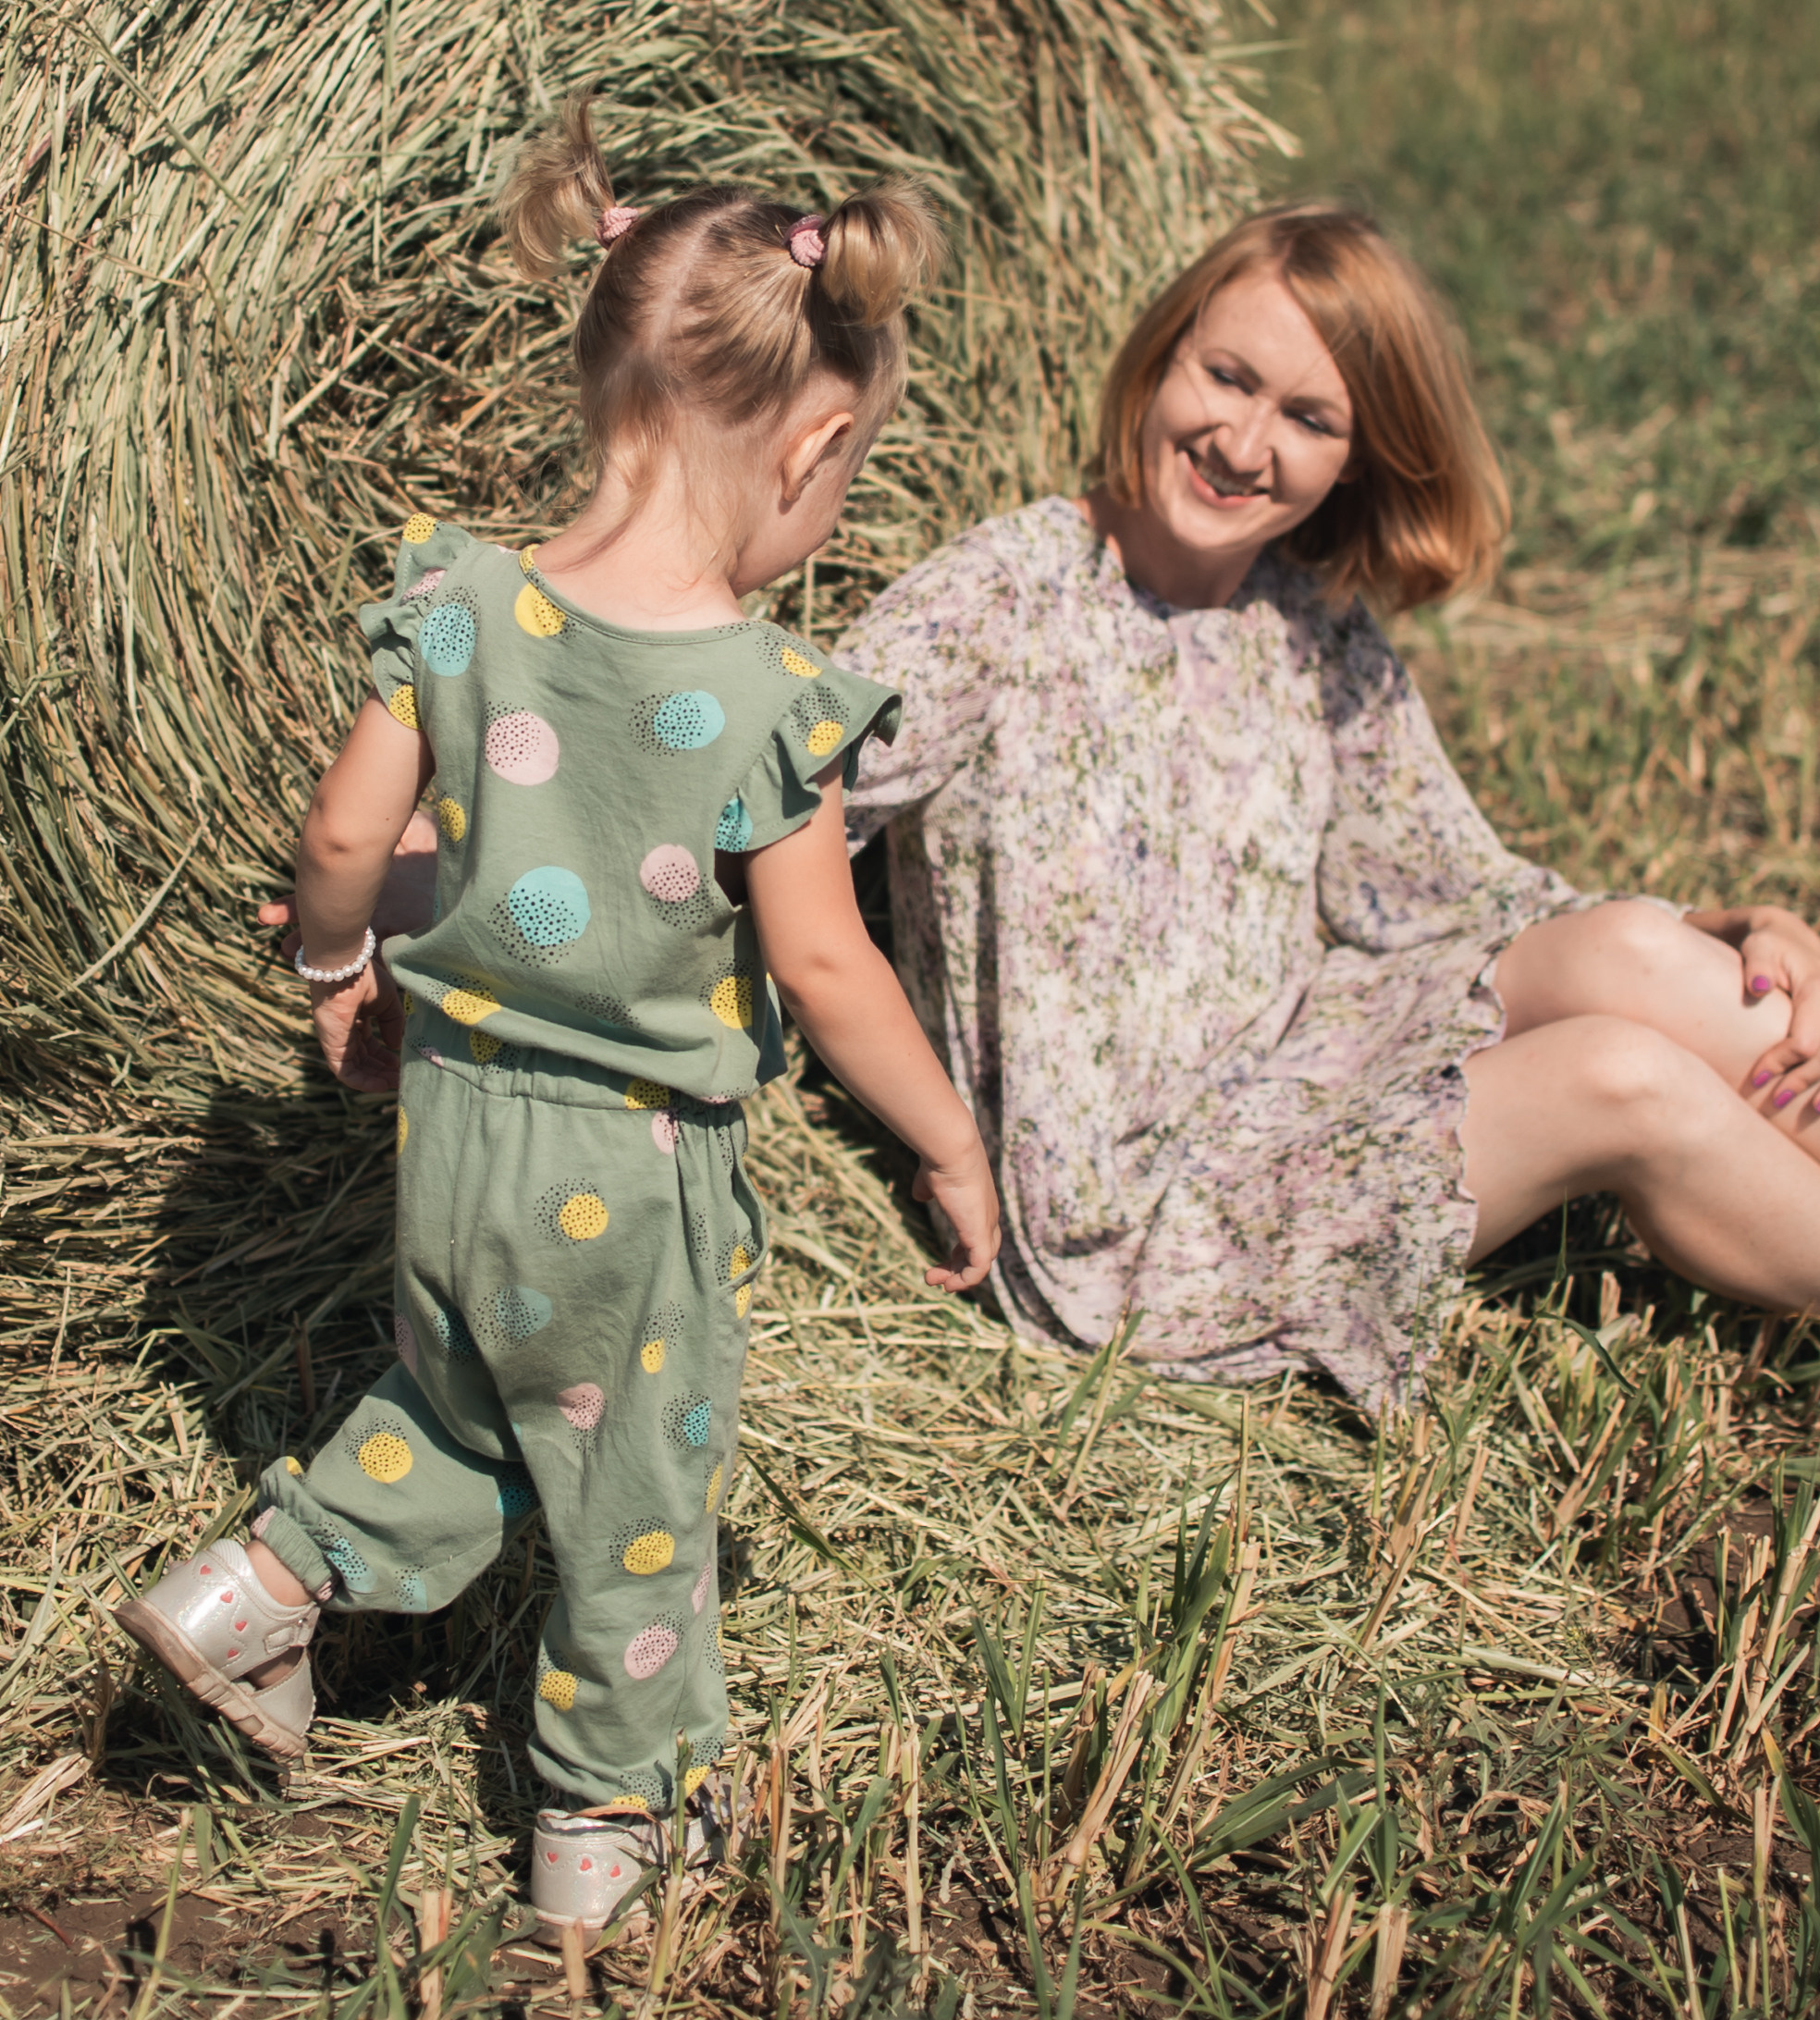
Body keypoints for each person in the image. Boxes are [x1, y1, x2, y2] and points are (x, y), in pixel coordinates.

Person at [113, 113, 1001, 1946]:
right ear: (816, 448)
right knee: (629, 1494)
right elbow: (830, 975)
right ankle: (612, 1820)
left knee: (459, 1404)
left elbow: (348, 840)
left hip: (456, 1131)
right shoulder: (771, 700)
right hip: (631, 1164)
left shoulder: (459, 608)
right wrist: (949, 1135)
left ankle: (255, 1583)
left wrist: (336, 976)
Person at [834, 201, 1820, 1406]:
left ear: (1357, 456)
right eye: (1227, 377)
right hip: (1142, 1216)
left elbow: (1442, 889)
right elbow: (785, 814)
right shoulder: (1007, 595)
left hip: (1305, 1059)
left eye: (1307, 419)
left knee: (1630, 953)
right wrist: (932, 1126)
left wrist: (1716, 924)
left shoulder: (1307, 615)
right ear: (1163, 351)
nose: (1245, 444)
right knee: (1622, 1075)